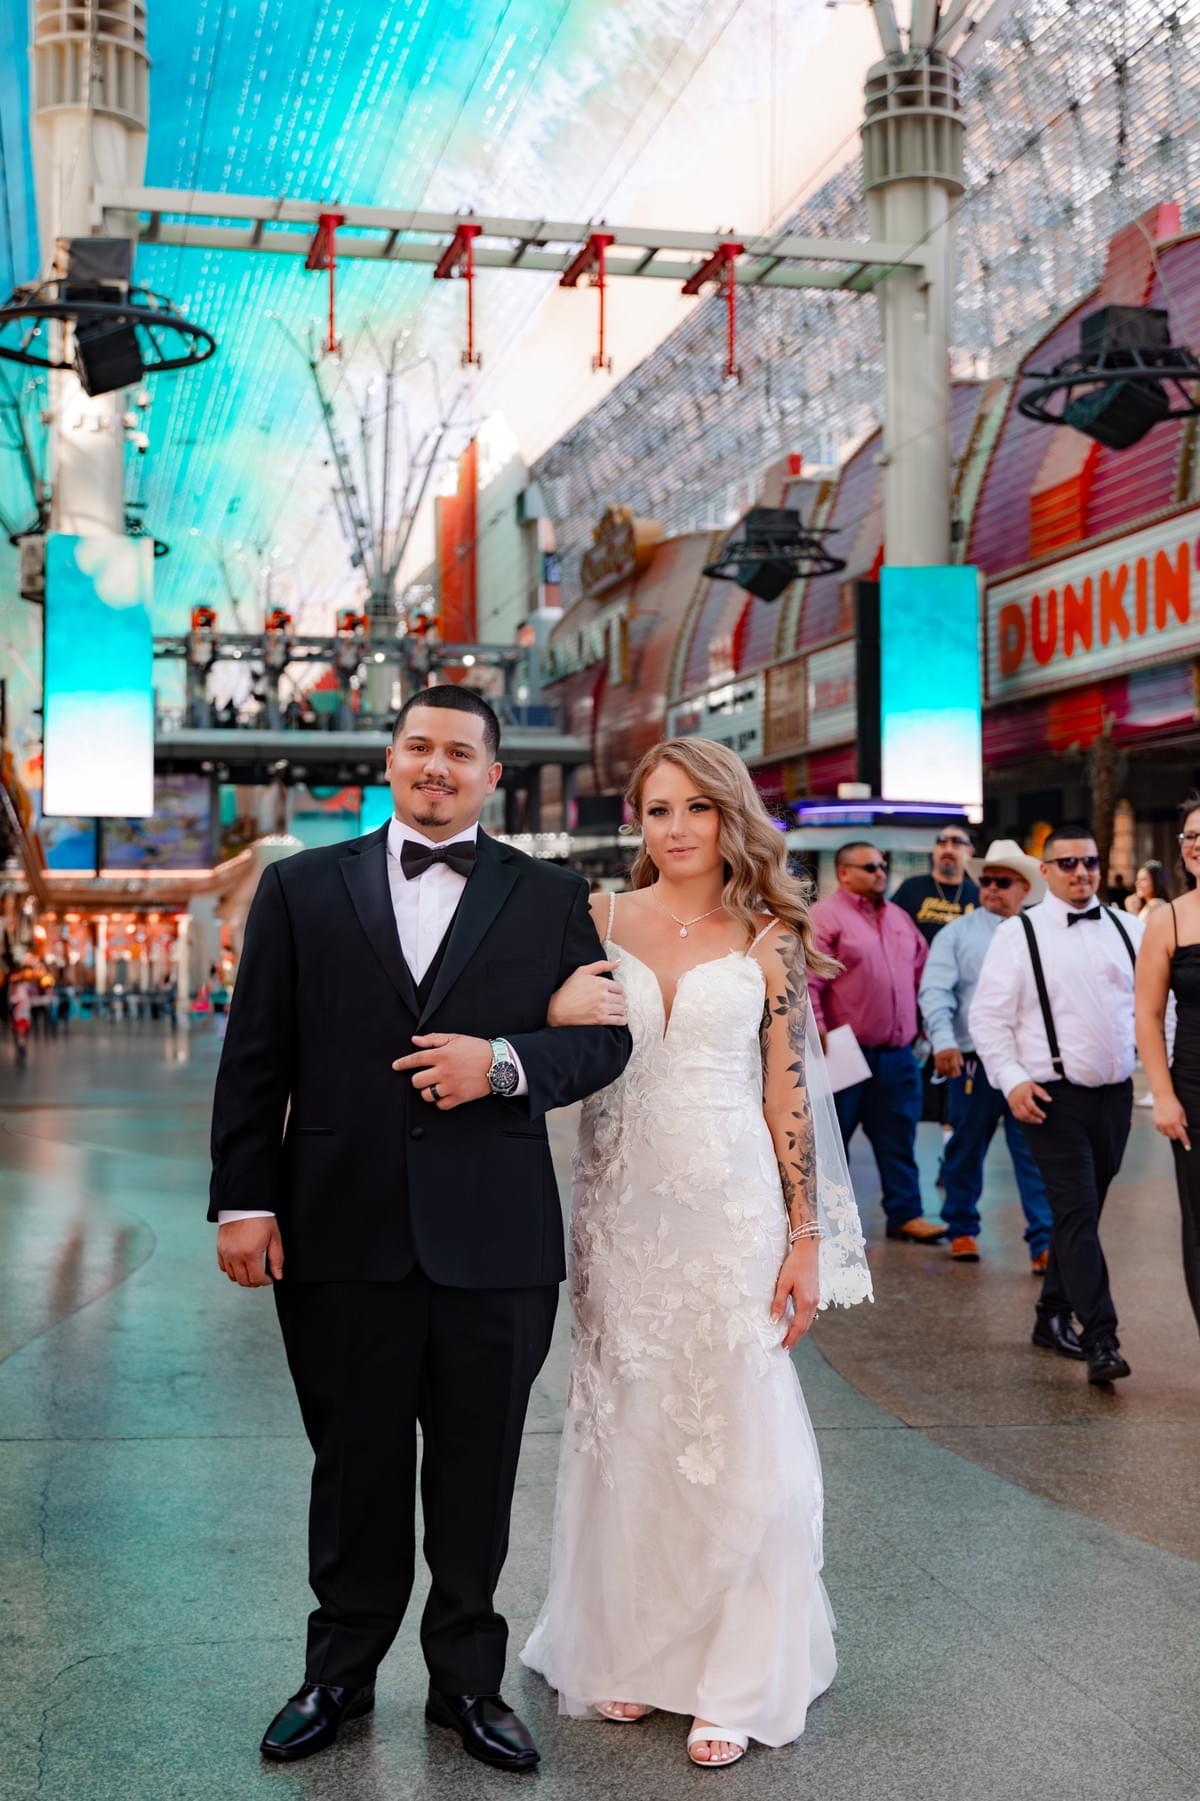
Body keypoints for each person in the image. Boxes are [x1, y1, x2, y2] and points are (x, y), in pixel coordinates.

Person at [209, 685, 631, 1771]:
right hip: (336, 1229)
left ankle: (467, 1682)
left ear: (494, 773)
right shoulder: (301, 888)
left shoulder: (548, 895)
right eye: (417, 747)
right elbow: (256, 1054)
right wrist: (244, 1200)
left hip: (494, 1239)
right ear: (388, 760)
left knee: (478, 1469)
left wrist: (500, 1062)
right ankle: (339, 1671)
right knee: (351, 1465)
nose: (435, 765)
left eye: (459, 752)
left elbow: (602, 1045)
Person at [520, 738, 871, 1768]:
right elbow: (554, 1040)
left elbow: (789, 1093)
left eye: (694, 808)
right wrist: (549, 1008)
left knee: (732, 1421)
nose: (673, 827)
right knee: (623, 1419)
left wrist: (806, 1239)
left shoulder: (770, 936)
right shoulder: (596, 920)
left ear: (730, 817)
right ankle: (628, 1646)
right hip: (619, 1205)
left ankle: (736, 1667)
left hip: (731, 1207)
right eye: (656, 808)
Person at [970, 824, 1142, 1385]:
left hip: (1114, 1096)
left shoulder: (1127, 926)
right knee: (1072, 1212)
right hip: (1051, 1098)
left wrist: (1156, 1073)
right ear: (1044, 872)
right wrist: (1013, 1079)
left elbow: (1152, 1006)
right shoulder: (1019, 934)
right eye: (1067, 863)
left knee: (1083, 1218)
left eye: (1088, 862)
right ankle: (1101, 1339)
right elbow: (988, 1018)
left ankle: (1049, 1316)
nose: (1080, 873)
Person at [918, 840, 1052, 1268]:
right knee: (965, 1148)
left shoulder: (1042, 932)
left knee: (1033, 1153)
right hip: (973, 1060)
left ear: (1024, 887)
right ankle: (962, 1229)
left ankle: (1044, 1241)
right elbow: (936, 990)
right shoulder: (956, 934)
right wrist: (943, 1040)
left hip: (1028, 1063)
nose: (990, 888)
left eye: (1001, 881)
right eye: (986, 880)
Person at [809, 844, 946, 1242]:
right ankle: (831, 1224)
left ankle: (905, 1215)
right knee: (834, 1143)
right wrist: (818, 1028)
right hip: (843, 1051)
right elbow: (809, 978)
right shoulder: (826, 917)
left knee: (899, 1139)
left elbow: (921, 974)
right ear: (844, 873)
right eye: (870, 867)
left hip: (898, 1055)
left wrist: (923, 1026)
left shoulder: (900, 919)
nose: (880, 872)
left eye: (883, 865)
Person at [1135, 795, 1200, 1339]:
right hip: (1195, 1091)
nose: (1197, 844)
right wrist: (1165, 1094)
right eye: (1190, 836)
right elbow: (1149, 1014)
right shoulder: (1169, 919)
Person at [892, 825, 980, 945]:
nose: (948, 850)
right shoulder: (910, 888)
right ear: (934, 851)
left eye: (956, 844)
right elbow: (890, 929)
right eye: (942, 843)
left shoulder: (978, 895)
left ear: (969, 853)